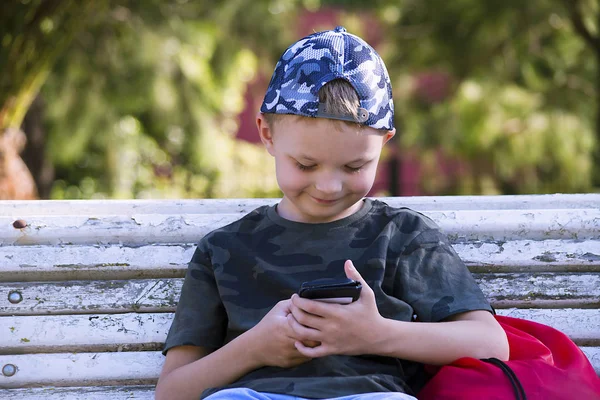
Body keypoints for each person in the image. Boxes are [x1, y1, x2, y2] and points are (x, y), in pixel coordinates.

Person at [155, 26, 509, 400]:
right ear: (267, 134)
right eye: (306, 165)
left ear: (384, 142)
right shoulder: (225, 249)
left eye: (354, 167)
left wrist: (376, 334)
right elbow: (172, 391)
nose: (328, 186)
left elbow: (489, 343)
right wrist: (253, 348)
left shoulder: (402, 236)